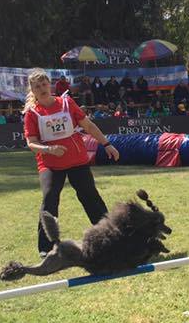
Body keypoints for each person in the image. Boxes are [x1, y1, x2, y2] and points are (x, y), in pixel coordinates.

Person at [22, 69, 120, 256]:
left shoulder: (66, 103)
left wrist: (107, 144)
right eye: (37, 86)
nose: (42, 88)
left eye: (44, 84)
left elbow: (89, 126)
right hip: (50, 164)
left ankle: (110, 236)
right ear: (32, 90)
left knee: (90, 197)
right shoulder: (32, 113)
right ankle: (47, 247)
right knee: (49, 199)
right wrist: (49, 149)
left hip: (77, 161)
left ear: (49, 85)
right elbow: (31, 142)